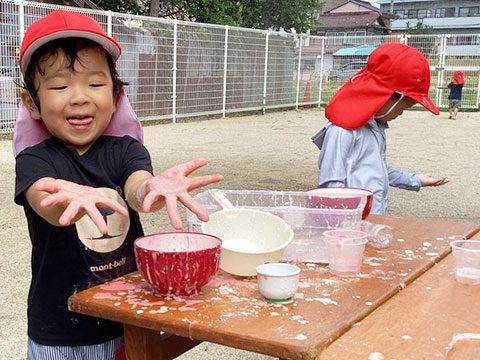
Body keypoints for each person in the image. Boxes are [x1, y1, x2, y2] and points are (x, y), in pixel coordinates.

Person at [13, 10, 223, 360]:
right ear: (32, 103)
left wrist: (151, 190)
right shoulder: (36, 160)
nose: (79, 97)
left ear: (116, 96)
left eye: (95, 84)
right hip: (61, 331)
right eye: (60, 86)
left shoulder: (126, 150)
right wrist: (68, 198)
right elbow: (46, 201)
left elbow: (137, 187)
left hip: (129, 318)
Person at [311, 43, 449, 215]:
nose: (401, 114)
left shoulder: (374, 126)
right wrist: (343, 227)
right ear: (386, 96)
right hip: (349, 229)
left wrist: (414, 180)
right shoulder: (342, 131)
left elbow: (376, 169)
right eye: (403, 108)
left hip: (370, 220)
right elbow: (329, 185)